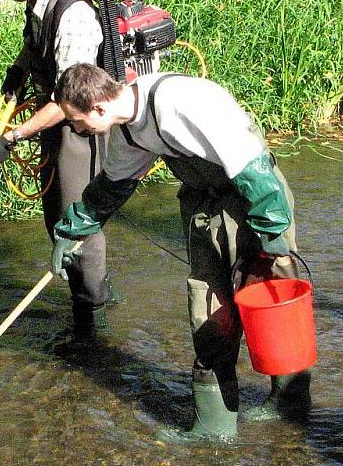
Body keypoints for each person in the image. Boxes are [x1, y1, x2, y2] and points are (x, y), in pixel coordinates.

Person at [49, 63, 312, 441]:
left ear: (97, 109)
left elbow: (249, 164)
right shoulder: (129, 131)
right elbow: (111, 187)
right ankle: (215, 425)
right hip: (204, 207)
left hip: (256, 199)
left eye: (77, 121)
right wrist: (71, 231)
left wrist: (271, 232)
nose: (77, 130)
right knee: (209, 306)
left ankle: (290, 401)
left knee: (271, 300)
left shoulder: (178, 102)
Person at [0, 0, 119, 332]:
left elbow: (66, 101)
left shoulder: (73, 13)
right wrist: (18, 70)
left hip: (80, 126)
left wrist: (12, 137)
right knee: (55, 218)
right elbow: (35, 42)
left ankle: (93, 324)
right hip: (54, 122)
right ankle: (94, 295)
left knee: (79, 227)